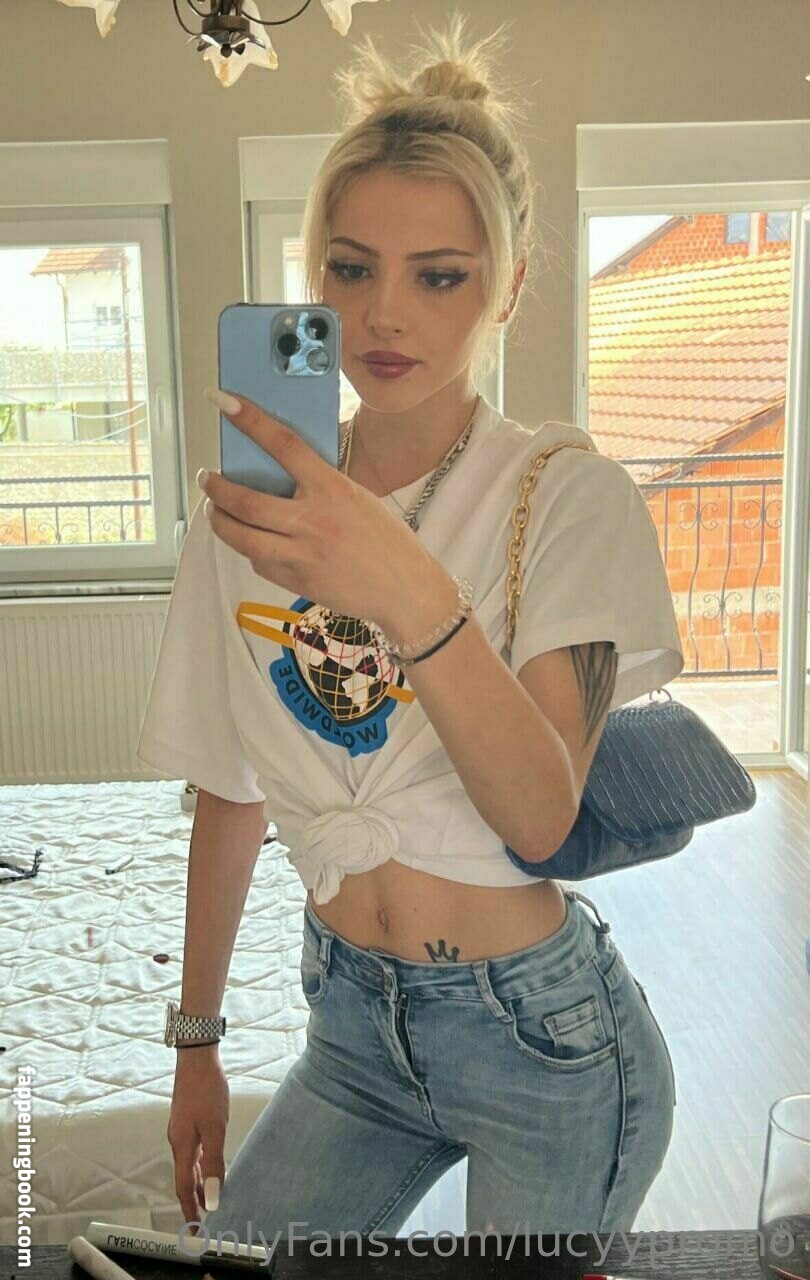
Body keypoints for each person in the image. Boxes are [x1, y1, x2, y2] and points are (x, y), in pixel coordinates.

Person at [136, 11, 684, 1244]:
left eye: (439, 275)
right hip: (350, 1027)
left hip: (545, 1039)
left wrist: (402, 581)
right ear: (314, 276)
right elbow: (230, 784)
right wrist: (197, 1041)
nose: (387, 314)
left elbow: (538, 815)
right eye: (350, 268)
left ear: (510, 285)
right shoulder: (247, 515)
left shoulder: (570, 494)